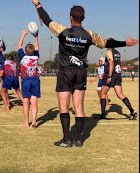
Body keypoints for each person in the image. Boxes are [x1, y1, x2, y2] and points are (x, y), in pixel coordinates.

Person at [32, 0, 138, 147]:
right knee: (79, 106)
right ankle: (79, 139)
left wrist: (37, 4)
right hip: (81, 72)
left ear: (70, 17)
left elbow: (46, 19)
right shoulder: (89, 35)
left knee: (64, 106)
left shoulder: (62, 31)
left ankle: (66, 139)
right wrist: (125, 43)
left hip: (65, 72)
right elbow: (108, 43)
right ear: (83, 18)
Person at [96, 47, 138, 120]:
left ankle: (102, 114)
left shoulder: (109, 52)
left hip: (111, 74)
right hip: (118, 74)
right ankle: (133, 111)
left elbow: (111, 63)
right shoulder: (117, 52)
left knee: (102, 93)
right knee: (120, 94)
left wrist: (109, 76)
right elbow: (119, 63)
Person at [18, 29, 40, 128]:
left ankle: (26, 123)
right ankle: (34, 121)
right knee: (34, 102)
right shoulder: (36, 57)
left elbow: (19, 46)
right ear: (33, 51)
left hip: (26, 80)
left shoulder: (22, 57)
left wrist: (23, 35)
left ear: (25, 51)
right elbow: (37, 48)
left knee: (26, 102)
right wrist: (36, 37)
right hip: (35, 80)